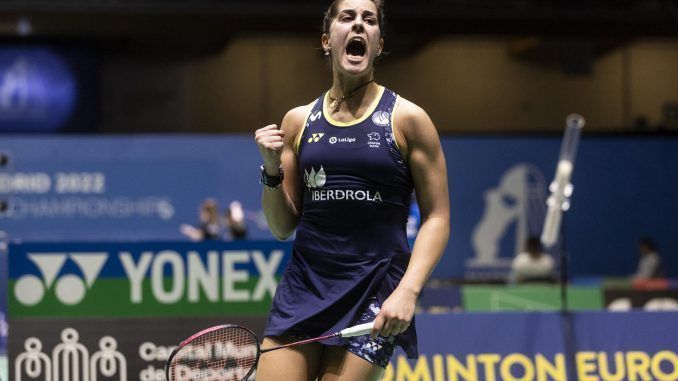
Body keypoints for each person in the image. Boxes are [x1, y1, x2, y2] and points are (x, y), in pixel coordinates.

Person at [253, 0, 450, 379]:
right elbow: (282, 227)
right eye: (348, 17)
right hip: (305, 285)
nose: (359, 25)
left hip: (375, 289)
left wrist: (408, 291)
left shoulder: (407, 119)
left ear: (378, 44)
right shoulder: (298, 121)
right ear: (328, 40)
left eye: (369, 20)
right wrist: (272, 168)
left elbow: (438, 217)